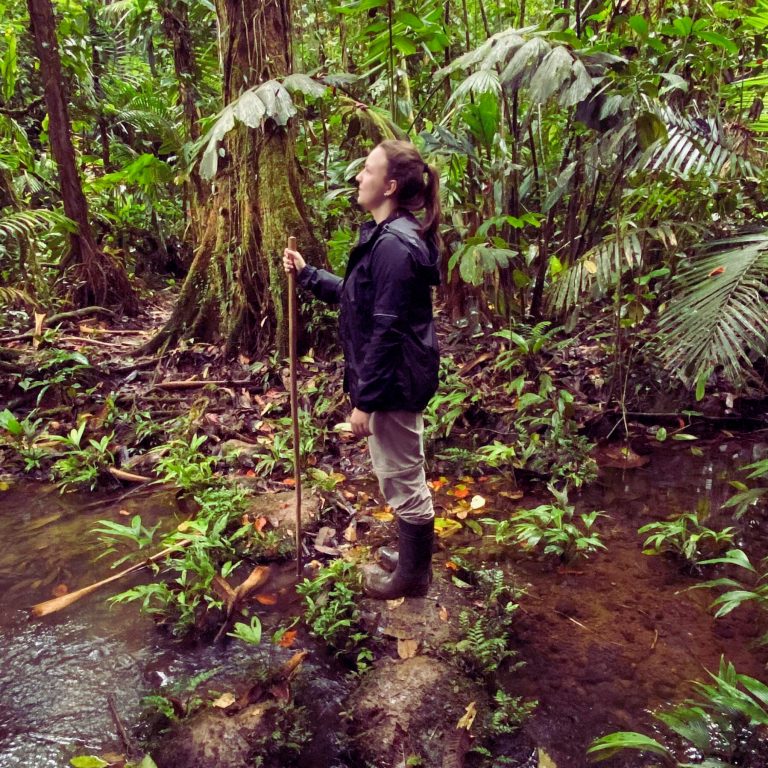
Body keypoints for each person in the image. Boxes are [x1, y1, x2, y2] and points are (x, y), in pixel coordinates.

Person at [282, 139, 441, 600]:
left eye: (367, 171)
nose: (358, 177)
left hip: (394, 383)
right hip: (395, 381)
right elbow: (361, 300)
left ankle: (412, 578)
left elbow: (387, 331)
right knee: (398, 470)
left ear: (389, 185)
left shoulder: (394, 245)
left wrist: (364, 404)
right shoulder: (388, 236)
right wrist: (310, 274)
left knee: (402, 475)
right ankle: (412, 561)